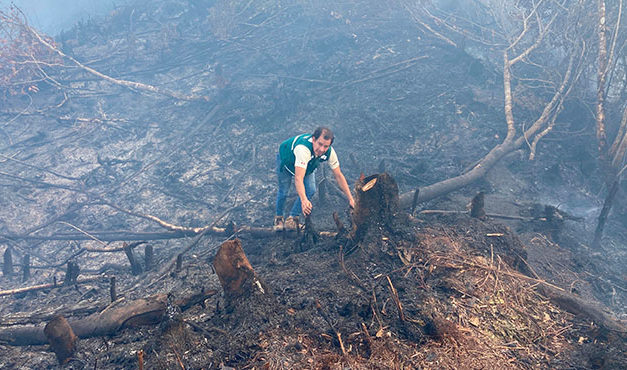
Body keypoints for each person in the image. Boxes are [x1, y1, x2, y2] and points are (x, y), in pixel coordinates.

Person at [274, 127, 355, 231]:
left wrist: (351, 199)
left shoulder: (330, 152)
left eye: (326, 146)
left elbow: (338, 175)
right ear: (313, 139)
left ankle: (293, 217)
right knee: (284, 191)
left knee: (311, 189)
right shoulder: (303, 150)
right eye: (320, 144)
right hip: (286, 161)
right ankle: (279, 217)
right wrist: (304, 200)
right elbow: (298, 178)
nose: (322, 149)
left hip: (308, 165)